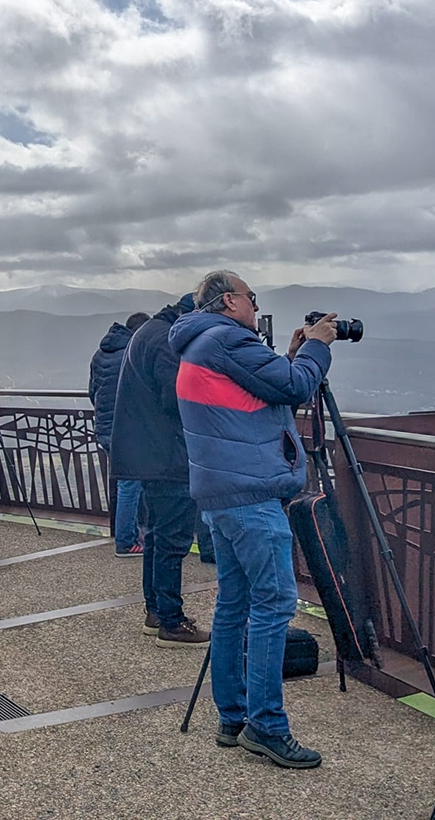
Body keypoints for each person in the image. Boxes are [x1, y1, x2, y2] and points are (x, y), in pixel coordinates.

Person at [171, 270, 337, 770]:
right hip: (251, 496)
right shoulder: (228, 339)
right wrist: (318, 348)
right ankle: (266, 726)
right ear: (229, 301)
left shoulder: (202, 342)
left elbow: (263, 392)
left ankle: (233, 717)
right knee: (274, 605)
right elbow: (299, 386)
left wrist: (287, 357)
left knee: (234, 604)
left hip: (223, 494)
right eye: (251, 296)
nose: (254, 304)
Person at [111, 294, 208, 649]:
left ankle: (156, 612)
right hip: (168, 456)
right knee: (171, 540)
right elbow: (176, 397)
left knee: (156, 535)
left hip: (148, 454)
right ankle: (171, 620)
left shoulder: (149, 331)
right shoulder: (167, 340)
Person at [90, 312, 150, 557]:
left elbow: (93, 392)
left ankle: (133, 534)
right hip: (127, 429)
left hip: (104, 428)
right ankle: (126, 541)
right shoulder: (133, 354)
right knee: (131, 484)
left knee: (127, 482)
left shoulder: (101, 353)